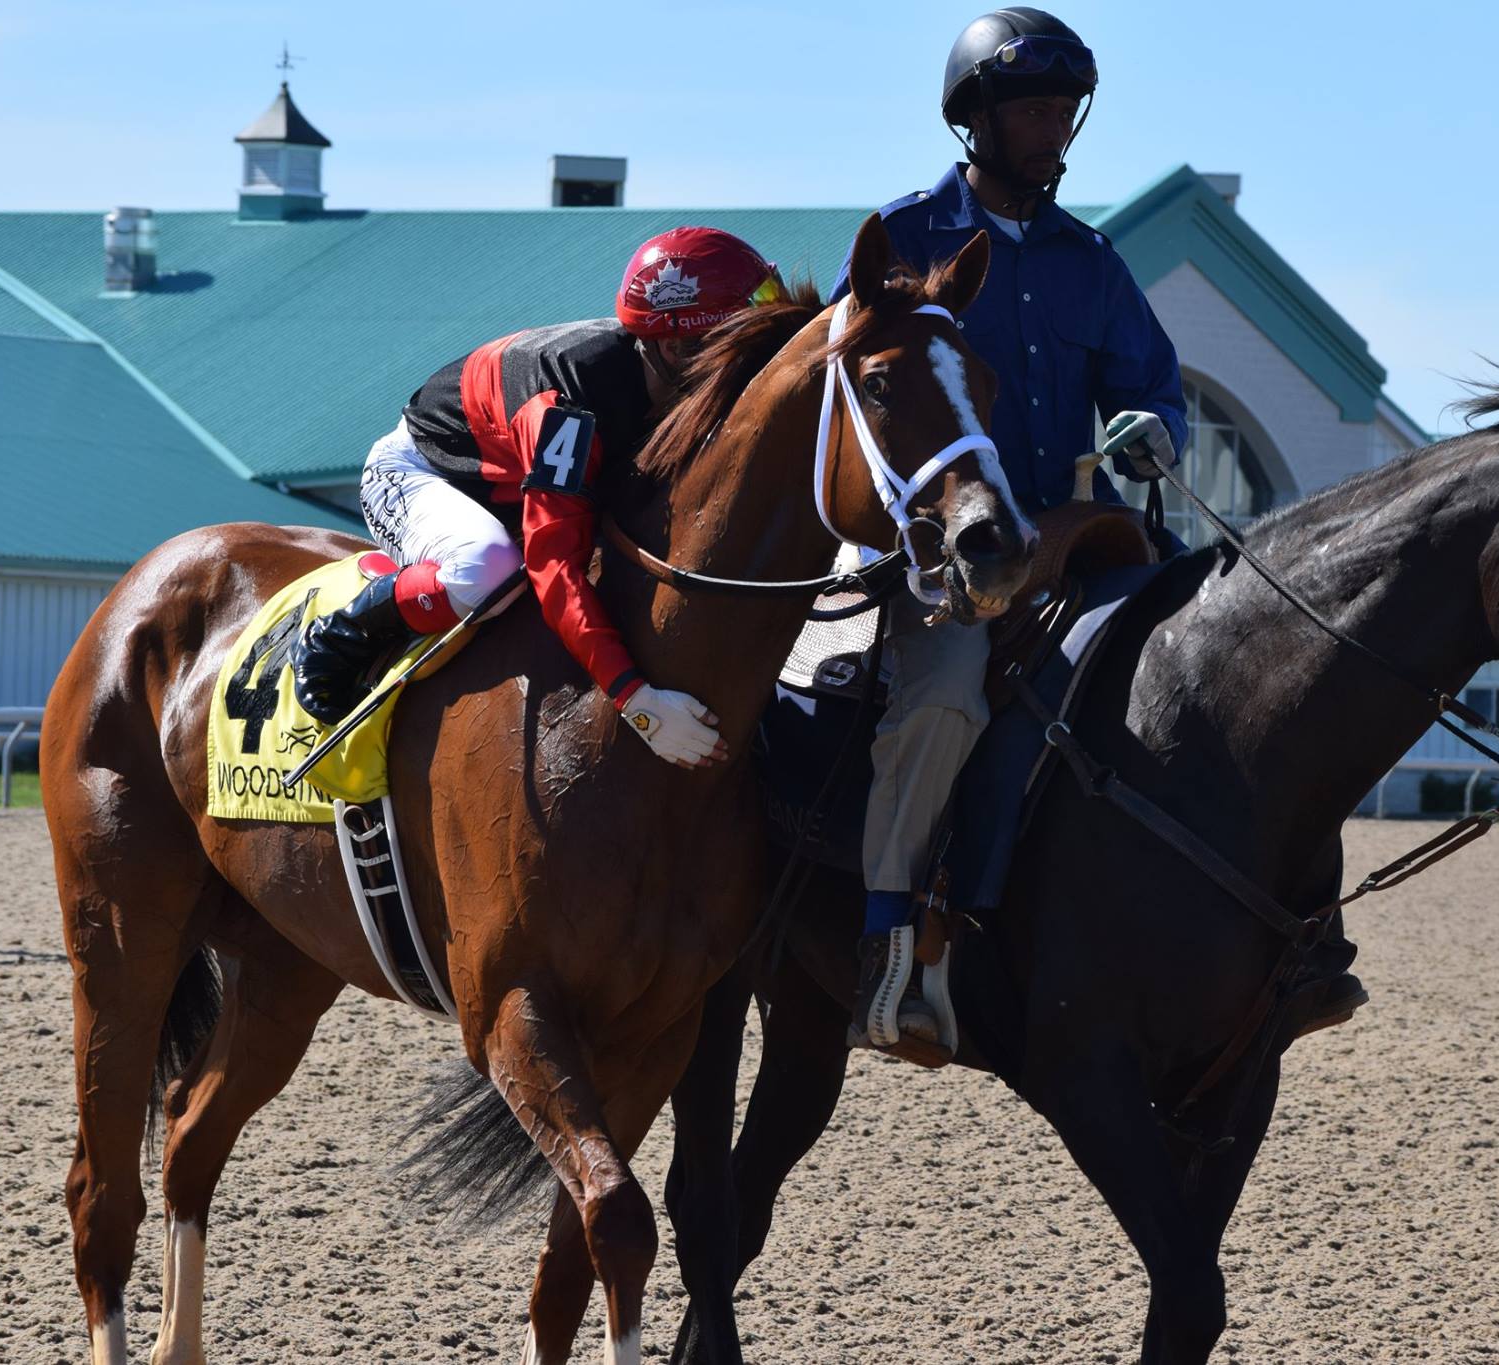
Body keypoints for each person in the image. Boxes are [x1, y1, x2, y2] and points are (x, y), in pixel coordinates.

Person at [831, 7, 1201, 1053]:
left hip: (1072, 546)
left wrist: (1149, 433)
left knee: (1202, 669)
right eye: (1032, 109)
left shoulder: (1092, 262)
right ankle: (889, 940)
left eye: (1061, 109)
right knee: (944, 693)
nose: (1052, 129)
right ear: (976, 121)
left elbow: (1154, 389)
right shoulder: (903, 238)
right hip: (936, 556)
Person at [291, 227, 786, 768]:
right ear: (677, 347)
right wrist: (636, 701)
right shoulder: (568, 413)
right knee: (491, 571)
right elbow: (552, 563)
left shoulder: (666, 369)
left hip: (510, 469)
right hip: (419, 472)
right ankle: (340, 635)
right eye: (747, 340)